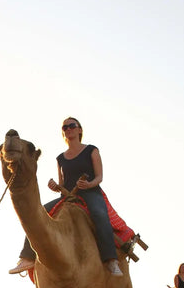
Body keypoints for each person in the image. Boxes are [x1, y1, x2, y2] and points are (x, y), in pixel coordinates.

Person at [8, 117, 123, 276]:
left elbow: (99, 177)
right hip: (68, 196)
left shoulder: (91, 150)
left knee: (99, 214)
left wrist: (89, 185)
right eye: (65, 127)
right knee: (37, 214)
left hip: (90, 192)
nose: (68, 129)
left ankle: (111, 260)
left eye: (72, 126)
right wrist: (56, 187)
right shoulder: (61, 158)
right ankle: (27, 257)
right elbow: (63, 184)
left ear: (79, 130)